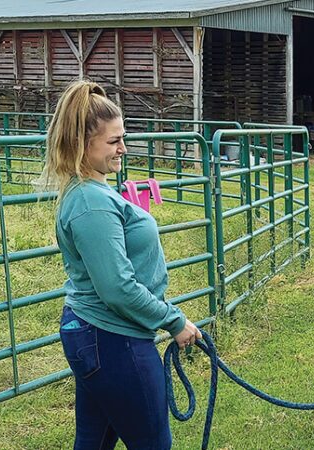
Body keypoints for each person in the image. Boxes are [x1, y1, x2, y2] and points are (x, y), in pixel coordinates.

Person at [41, 80, 201, 449]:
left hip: (98, 336)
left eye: (122, 138)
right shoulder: (91, 203)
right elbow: (116, 287)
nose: (123, 149)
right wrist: (174, 320)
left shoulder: (94, 192)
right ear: (83, 144)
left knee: (93, 442)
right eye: (114, 141)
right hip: (114, 338)